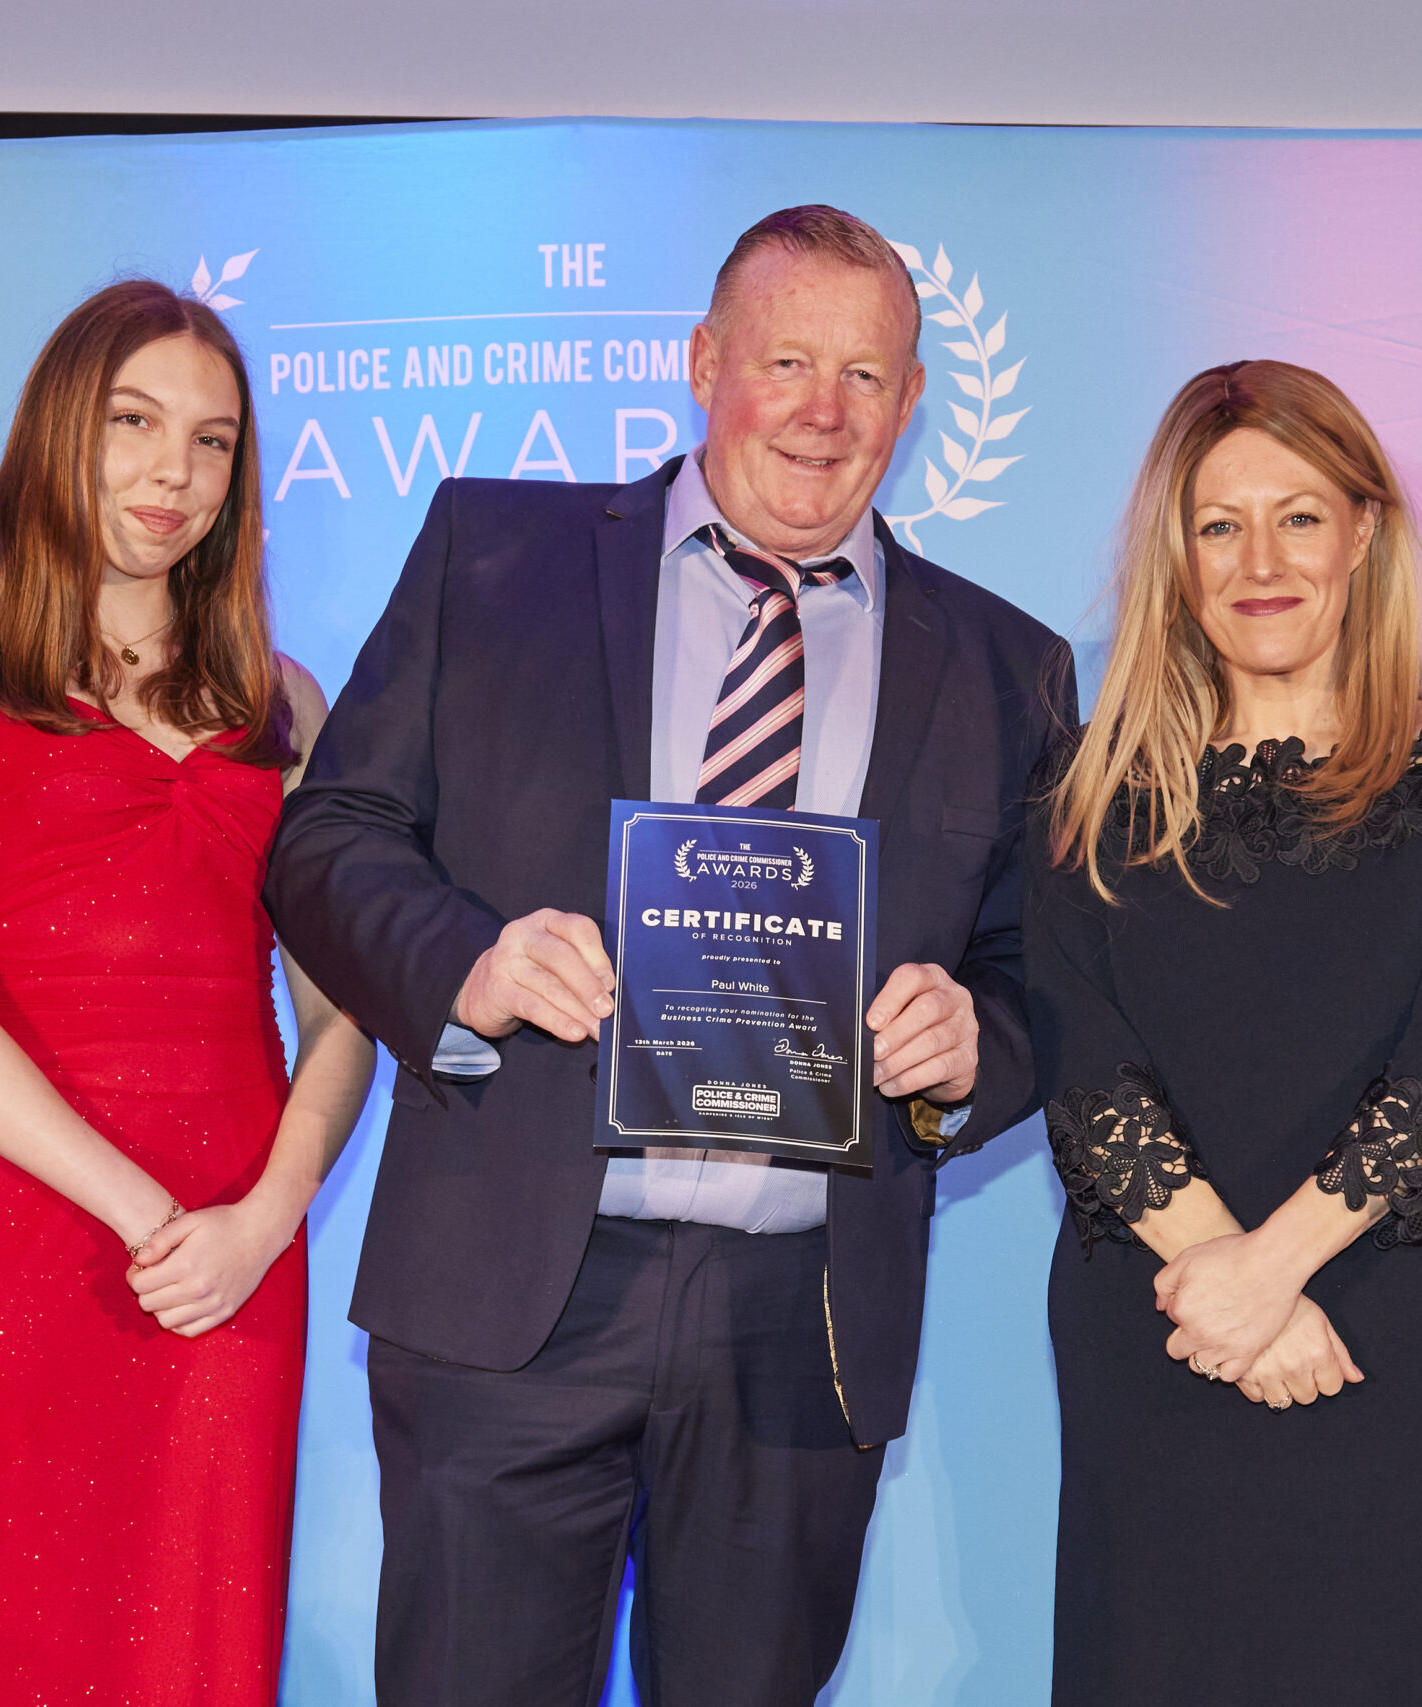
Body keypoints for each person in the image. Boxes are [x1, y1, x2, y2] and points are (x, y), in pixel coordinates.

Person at [265, 204, 1073, 1705]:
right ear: (706, 364)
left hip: (802, 1321)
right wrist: (468, 967)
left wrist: (977, 1046)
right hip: (513, 1291)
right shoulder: (494, 554)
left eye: (867, 375)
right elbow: (328, 839)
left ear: (911, 400)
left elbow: (1043, 975)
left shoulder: (1005, 665)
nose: (823, 411)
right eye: (785, 361)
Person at [0, 279, 376, 1705]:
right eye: (134, 423)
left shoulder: (288, 705)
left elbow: (343, 1017)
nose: (173, 473)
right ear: (60, 432)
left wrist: (265, 1219)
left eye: (213, 442)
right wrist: (146, 1214)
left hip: (236, 1248)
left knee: (199, 1650)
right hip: (30, 1233)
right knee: (17, 1636)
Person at [1026, 359, 1422, 1703]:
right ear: (1178, 556)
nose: (1260, 562)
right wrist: (1228, 1282)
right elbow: (1084, 1071)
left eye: (1300, 517)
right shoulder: (1088, 790)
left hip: (1404, 1326)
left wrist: (1272, 1273)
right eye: (1220, 525)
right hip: (1160, 1320)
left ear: (1364, 531)